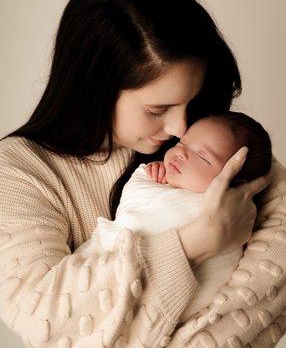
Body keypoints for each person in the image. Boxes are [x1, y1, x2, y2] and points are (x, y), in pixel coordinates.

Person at [0, 0, 285, 348]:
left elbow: (261, 302)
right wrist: (197, 242)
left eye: (190, 101)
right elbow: (49, 324)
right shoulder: (17, 175)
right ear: (94, 88)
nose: (181, 128)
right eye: (157, 110)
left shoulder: (218, 145)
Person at [76, 111, 272, 326]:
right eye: (182, 142)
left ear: (236, 184)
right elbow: (136, 207)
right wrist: (153, 176)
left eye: (203, 157)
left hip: (165, 311)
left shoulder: (235, 214)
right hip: (105, 277)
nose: (181, 153)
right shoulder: (157, 177)